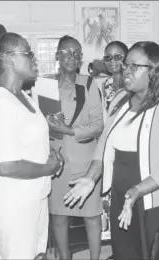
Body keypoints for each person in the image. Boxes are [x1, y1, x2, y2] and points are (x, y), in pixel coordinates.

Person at [63, 41, 159, 260]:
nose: (126, 70)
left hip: (155, 196)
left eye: (135, 66)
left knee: (153, 251)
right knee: (125, 250)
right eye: (126, 65)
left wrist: (137, 192)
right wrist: (90, 178)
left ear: (155, 70)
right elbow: (105, 144)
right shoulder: (120, 100)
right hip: (121, 191)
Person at [0, 24, 63, 259]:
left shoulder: (23, 95)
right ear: (9, 59)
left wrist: (51, 158)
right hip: (14, 202)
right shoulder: (0, 104)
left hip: (34, 194)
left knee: (37, 255)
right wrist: (48, 167)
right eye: (28, 53)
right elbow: (5, 165)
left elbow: (28, 142)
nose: (34, 59)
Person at [46, 35, 104, 260]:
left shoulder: (88, 83)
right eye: (66, 52)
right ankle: (64, 256)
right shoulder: (45, 84)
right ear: (57, 55)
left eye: (76, 53)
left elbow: (98, 125)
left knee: (92, 215)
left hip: (86, 161)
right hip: (56, 162)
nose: (72, 57)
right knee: (59, 216)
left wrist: (69, 130)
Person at [99, 41, 129, 120]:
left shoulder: (133, 83)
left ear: (127, 58)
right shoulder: (106, 84)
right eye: (108, 57)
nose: (112, 61)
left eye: (118, 57)